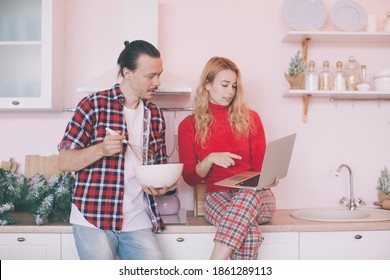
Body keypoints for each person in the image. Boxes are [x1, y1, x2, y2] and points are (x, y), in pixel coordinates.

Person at [57, 40, 176, 260]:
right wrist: (100, 149)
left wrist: (160, 186)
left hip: (137, 220)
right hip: (93, 218)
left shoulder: (155, 115)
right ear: (127, 73)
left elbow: (157, 166)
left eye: (159, 74)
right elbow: (64, 162)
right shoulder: (93, 105)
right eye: (150, 76)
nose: (157, 82)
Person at [178, 57, 276, 260]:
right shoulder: (189, 125)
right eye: (224, 85)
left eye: (233, 86)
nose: (230, 91)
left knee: (249, 193)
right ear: (207, 84)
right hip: (217, 196)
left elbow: (261, 168)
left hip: (258, 199)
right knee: (248, 235)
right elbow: (190, 178)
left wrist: (271, 176)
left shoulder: (251, 118)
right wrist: (210, 159)